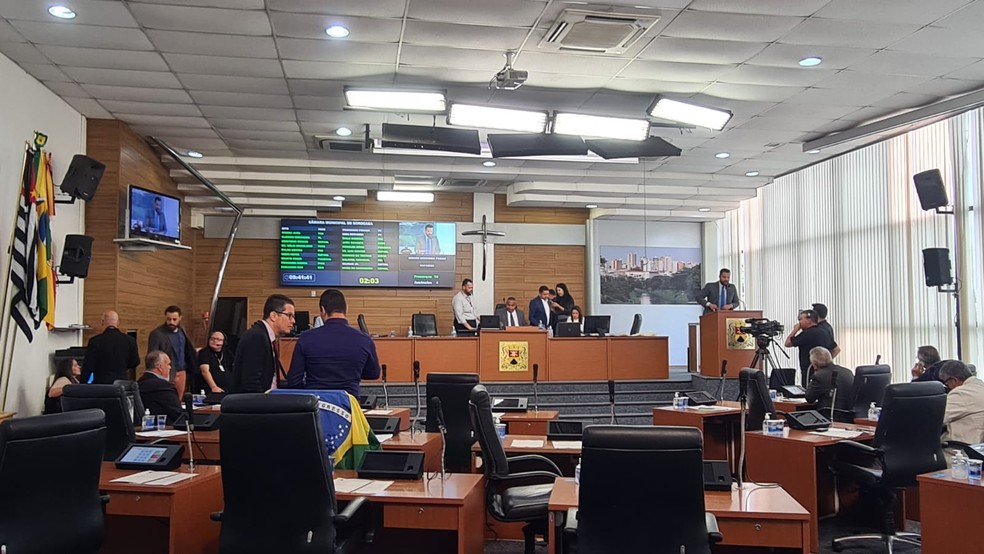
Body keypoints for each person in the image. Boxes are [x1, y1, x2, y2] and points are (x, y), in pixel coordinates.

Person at [286, 289, 381, 396]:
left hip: (316, 406)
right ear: (346, 309)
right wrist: (353, 372)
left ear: (322, 310)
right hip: (349, 406)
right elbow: (374, 374)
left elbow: (294, 380)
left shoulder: (306, 338)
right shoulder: (364, 339)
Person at [232, 294, 295, 393]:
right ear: (273, 316)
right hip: (253, 404)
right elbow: (251, 382)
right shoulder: (257, 337)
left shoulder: (265, 336)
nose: (293, 321)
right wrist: (264, 404)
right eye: (289, 315)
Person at [147, 305, 197, 395]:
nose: (171, 322)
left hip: (182, 371)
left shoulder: (182, 330)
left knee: (179, 401)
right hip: (167, 372)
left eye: (174, 319)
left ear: (180, 318)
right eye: (169, 319)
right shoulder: (157, 334)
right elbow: (152, 357)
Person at [81, 310, 140, 384]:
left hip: (100, 384)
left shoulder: (95, 341)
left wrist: (82, 384)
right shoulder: (130, 340)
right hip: (121, 383)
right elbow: (135, 361)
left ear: (102, 322)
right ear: (118, 322)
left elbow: (88, 366)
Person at [940, 360, 984, 457]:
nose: (948, 388)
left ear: (954, 380)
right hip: (978, 450)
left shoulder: (961, 393)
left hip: (960, 453)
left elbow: (936, 418)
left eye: (947, 384)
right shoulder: (980, 386)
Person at [784, 309, 837, 386]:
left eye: (801, 319)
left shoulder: (806, 334)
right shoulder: (824, 332)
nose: (799, 322)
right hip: (825, 371)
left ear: (809, 320)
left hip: (809, 371)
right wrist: (825, 362)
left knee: (809, 392)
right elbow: (836, 349)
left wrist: (795, 329)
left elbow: (787, 343)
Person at [803, 347, 855, 423]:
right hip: (849, 415)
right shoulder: (848, 372)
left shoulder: (819, 376)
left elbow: (809, 398)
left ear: (814, 364)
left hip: (827, 417)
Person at [138, 350, 183, 424]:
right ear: (159, 367)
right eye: (168, 364)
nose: (170, 367)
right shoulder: (161, 386)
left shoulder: (139, 382)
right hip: (165, 428)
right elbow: (177, 414)